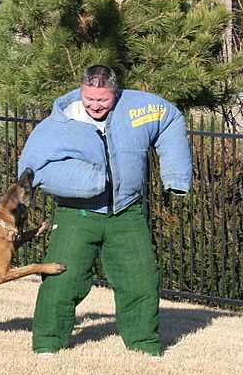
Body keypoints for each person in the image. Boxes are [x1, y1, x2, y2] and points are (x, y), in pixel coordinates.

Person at [17, 65, 192, 357]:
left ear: (116, 93)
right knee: (63, 280)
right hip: (77, 215)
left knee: (141, 280)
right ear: (81, 91)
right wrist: (84, 180)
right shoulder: (59, 122)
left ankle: (144, 346)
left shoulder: (138, 109)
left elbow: (170, 118)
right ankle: (47, 343)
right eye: (89, 99)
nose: (95, 106)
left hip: (127, 213)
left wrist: (176, 177)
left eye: (103, 100)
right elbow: (29, 169)